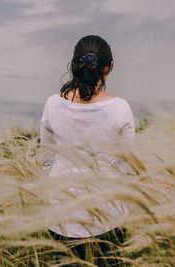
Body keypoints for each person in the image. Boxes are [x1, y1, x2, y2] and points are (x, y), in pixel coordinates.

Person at [40, 35, 135, 266]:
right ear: (109, 68)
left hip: (61, 219)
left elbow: (47, 162)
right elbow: (130, 170)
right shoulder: (120, 109)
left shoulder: (52, 104)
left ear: (72, 65)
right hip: (108, 220)